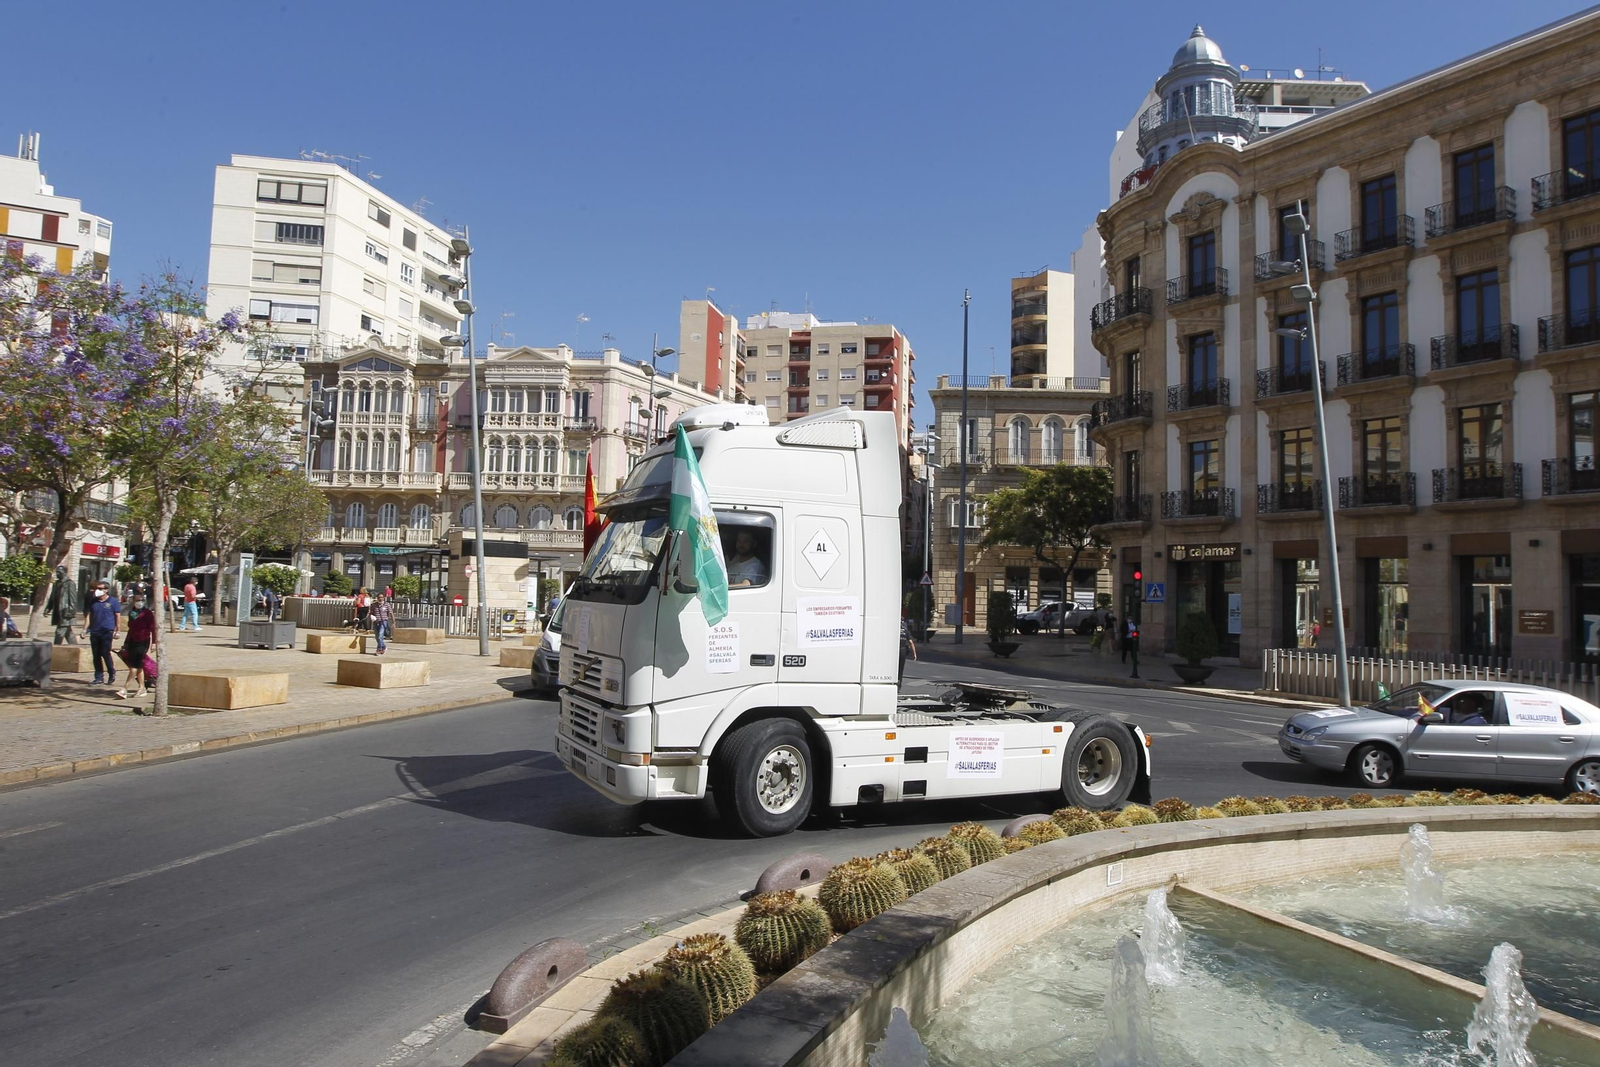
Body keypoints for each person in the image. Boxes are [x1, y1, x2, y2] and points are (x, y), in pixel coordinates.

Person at [117, 593, 158, 701]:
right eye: (137, 600)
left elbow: (153, 628)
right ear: (133, 601)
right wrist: (126, 643)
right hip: (132, 641)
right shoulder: (132, 613)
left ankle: (124, 689)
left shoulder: (147, 613)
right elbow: (131, 629)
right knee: (138, 666)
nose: (140, 602)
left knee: (133, 667)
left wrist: (154, 642)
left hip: (143, 641)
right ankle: (142, 688)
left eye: (142, 600)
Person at [85, 581, 122, 686]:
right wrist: (85, 629)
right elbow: (89, 616)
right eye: (97, 588)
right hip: (95, 631)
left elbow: (117, 616)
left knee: (105, 653)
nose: (98, 590)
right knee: (96, 655)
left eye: (100, 588)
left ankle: (111, 672)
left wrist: (117, 630)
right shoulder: (93, 601)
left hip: (107, 631)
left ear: (106, 590)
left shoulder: (113, 602)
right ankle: (99, 677)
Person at [48, 565, 78, 645]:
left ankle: (55, 649)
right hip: (58, 611)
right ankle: (75, 647)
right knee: (68, 633)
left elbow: (73, 599)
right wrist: (49, 607)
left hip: (65, 611)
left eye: (59, 572)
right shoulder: (56, 583)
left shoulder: (70, 583)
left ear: (64, 572)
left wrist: (70, 612)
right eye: (56, 572)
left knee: (59, 632)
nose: (57, 574)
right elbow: (52, 597)